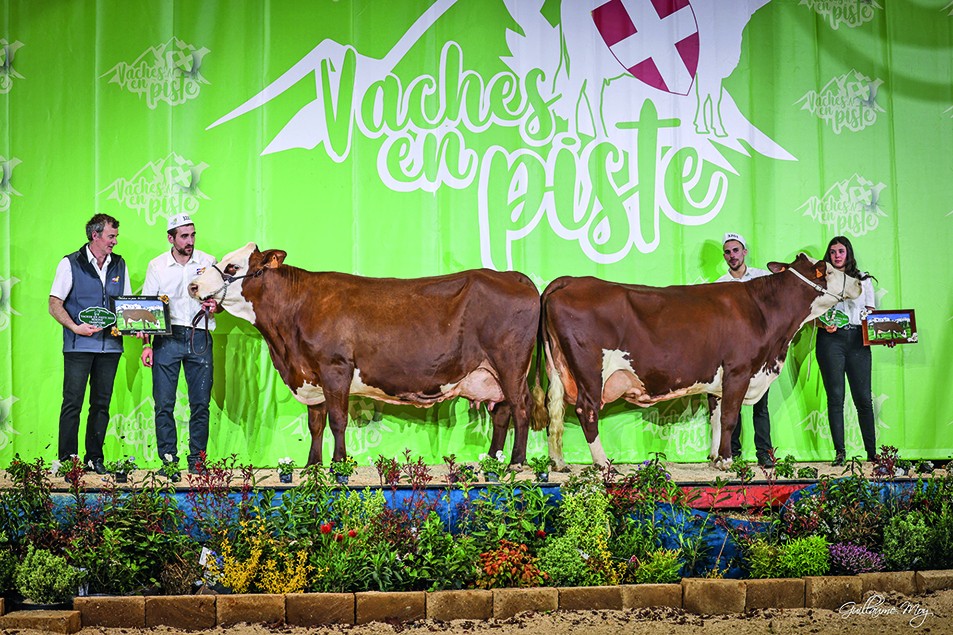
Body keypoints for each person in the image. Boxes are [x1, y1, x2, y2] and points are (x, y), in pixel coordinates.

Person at [49, 213, 131, 474]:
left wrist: (135, 328)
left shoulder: (119, 264)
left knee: (101, 404)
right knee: (72, 402)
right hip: (78, 346)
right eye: (111, 236)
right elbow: (54, 304)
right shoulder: (70, 263)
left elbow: (126, 306)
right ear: (95, 235)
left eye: (116, 236)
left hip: (110, 347)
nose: (115, 241)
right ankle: (68, 458)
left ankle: (94, 457)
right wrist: (75, 327)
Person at [141, 214, 219, 480]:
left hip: (200, 336)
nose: (190, 241)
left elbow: (221, 298)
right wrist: (146, 345)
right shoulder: (157, 266)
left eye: (193, 235)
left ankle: (198, 461)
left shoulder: (208, 262)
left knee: (201, 404)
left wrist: (216, 305)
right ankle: (168, 461)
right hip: (167, 338)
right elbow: (148, 307)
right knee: (164, 404)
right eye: (184, 236)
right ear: (170, 238)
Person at [816, 236, 878, 466]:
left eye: (841, 251)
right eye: (832, 252)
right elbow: (813, 315)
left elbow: (872, 316)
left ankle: (872, 454)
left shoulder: (864, 280)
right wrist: (823, 324)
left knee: (863, 399)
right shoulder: (821, 282)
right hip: (831, 341)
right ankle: (840, 453)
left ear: (848, 253)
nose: (837, 255)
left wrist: (883, 337)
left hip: (859, 341)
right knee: (836, 398)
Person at [715, 232, 775, 469]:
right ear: (724, 256)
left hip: (760, 353)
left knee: (761, 404)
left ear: (744, 252)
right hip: (733, 355)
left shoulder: (763, 278)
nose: (732, 256)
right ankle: (734, 452)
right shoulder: (719, 285)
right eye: (728, 252)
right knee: (733, 403)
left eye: (736, 250)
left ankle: (765, 453)